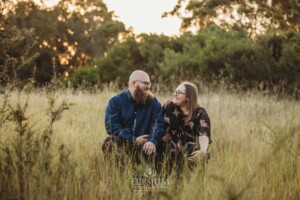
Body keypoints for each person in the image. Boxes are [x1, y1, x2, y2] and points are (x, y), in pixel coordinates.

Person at [102, 70, 164, 167]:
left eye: (149, 84)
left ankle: (145, 177)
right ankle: (116, 176)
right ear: (134, 83)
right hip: (124, 143)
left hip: (144, 144)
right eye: (145, 83)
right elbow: (111, 126)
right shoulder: (115, 101)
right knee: (110, 142)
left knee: (152, 146)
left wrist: (151, 140)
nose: (148, 87)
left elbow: (157, 123)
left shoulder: (153, 102)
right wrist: (132, 139)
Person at [161, 81, 211, 175]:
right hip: (167, 149)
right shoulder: (169, 107)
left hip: (187, 152)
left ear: (188, 97)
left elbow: (203, 133)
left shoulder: (200, 113)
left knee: (196, 152)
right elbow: (157, 123)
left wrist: (203, 150)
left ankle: (192, 185)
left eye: (178, 92)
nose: (174, 94)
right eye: (175, 92)